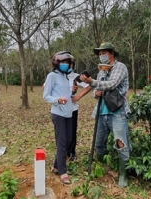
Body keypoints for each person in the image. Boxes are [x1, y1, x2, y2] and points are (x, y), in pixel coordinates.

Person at [80, 42, 131, 188]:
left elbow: (112, 84)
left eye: (104, 53)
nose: (101, 55)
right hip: (101, 113)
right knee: (98, 143)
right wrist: (95, 93)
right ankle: (103, 165)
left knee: (121, 143)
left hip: (117, 113)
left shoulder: (120, 67)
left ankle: (123, 174)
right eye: (99, 53)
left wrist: (92, 82)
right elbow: (97, 92)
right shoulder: (101, 71)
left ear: (111, 53)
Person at [43, 51, 75, 184]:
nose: (65, 65)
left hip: (68, 113)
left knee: (68, 141)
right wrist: (58, 100)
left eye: (67, 63)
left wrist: (72, 92)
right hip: (58, 113)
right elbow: (46, 96)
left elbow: (65, 94)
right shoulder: (52, 76)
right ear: (56, 63)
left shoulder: (66, 77)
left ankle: (56, 166)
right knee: (61, 143)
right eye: (62, 62)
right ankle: (63, 172)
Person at [68, 56, 91, 162]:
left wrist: (78, 96)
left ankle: (71, 152)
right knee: (61, 131)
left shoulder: (76, 77)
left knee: (72, 131)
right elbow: (45, 86)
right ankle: (62, 151)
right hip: (59, 109)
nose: (68, 65)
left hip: (72, 108)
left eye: (70, 63)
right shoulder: (56, 76)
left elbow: (89, 86)